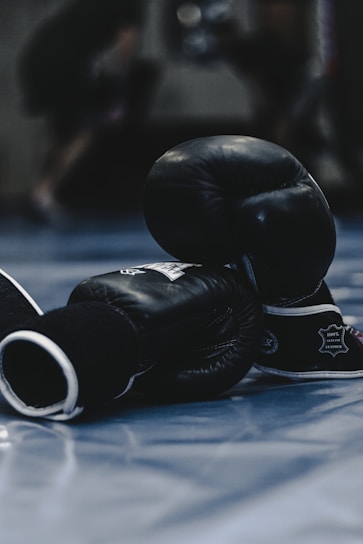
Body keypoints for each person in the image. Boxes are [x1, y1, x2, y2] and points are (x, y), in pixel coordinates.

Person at [17, 0, 160, 223]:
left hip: (38, 57)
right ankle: (42, 194)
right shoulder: (131, 4)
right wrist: (121, 87)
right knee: (85, 130)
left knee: (63, 131)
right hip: (63, 62)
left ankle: (44, 193)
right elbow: (127, 40)